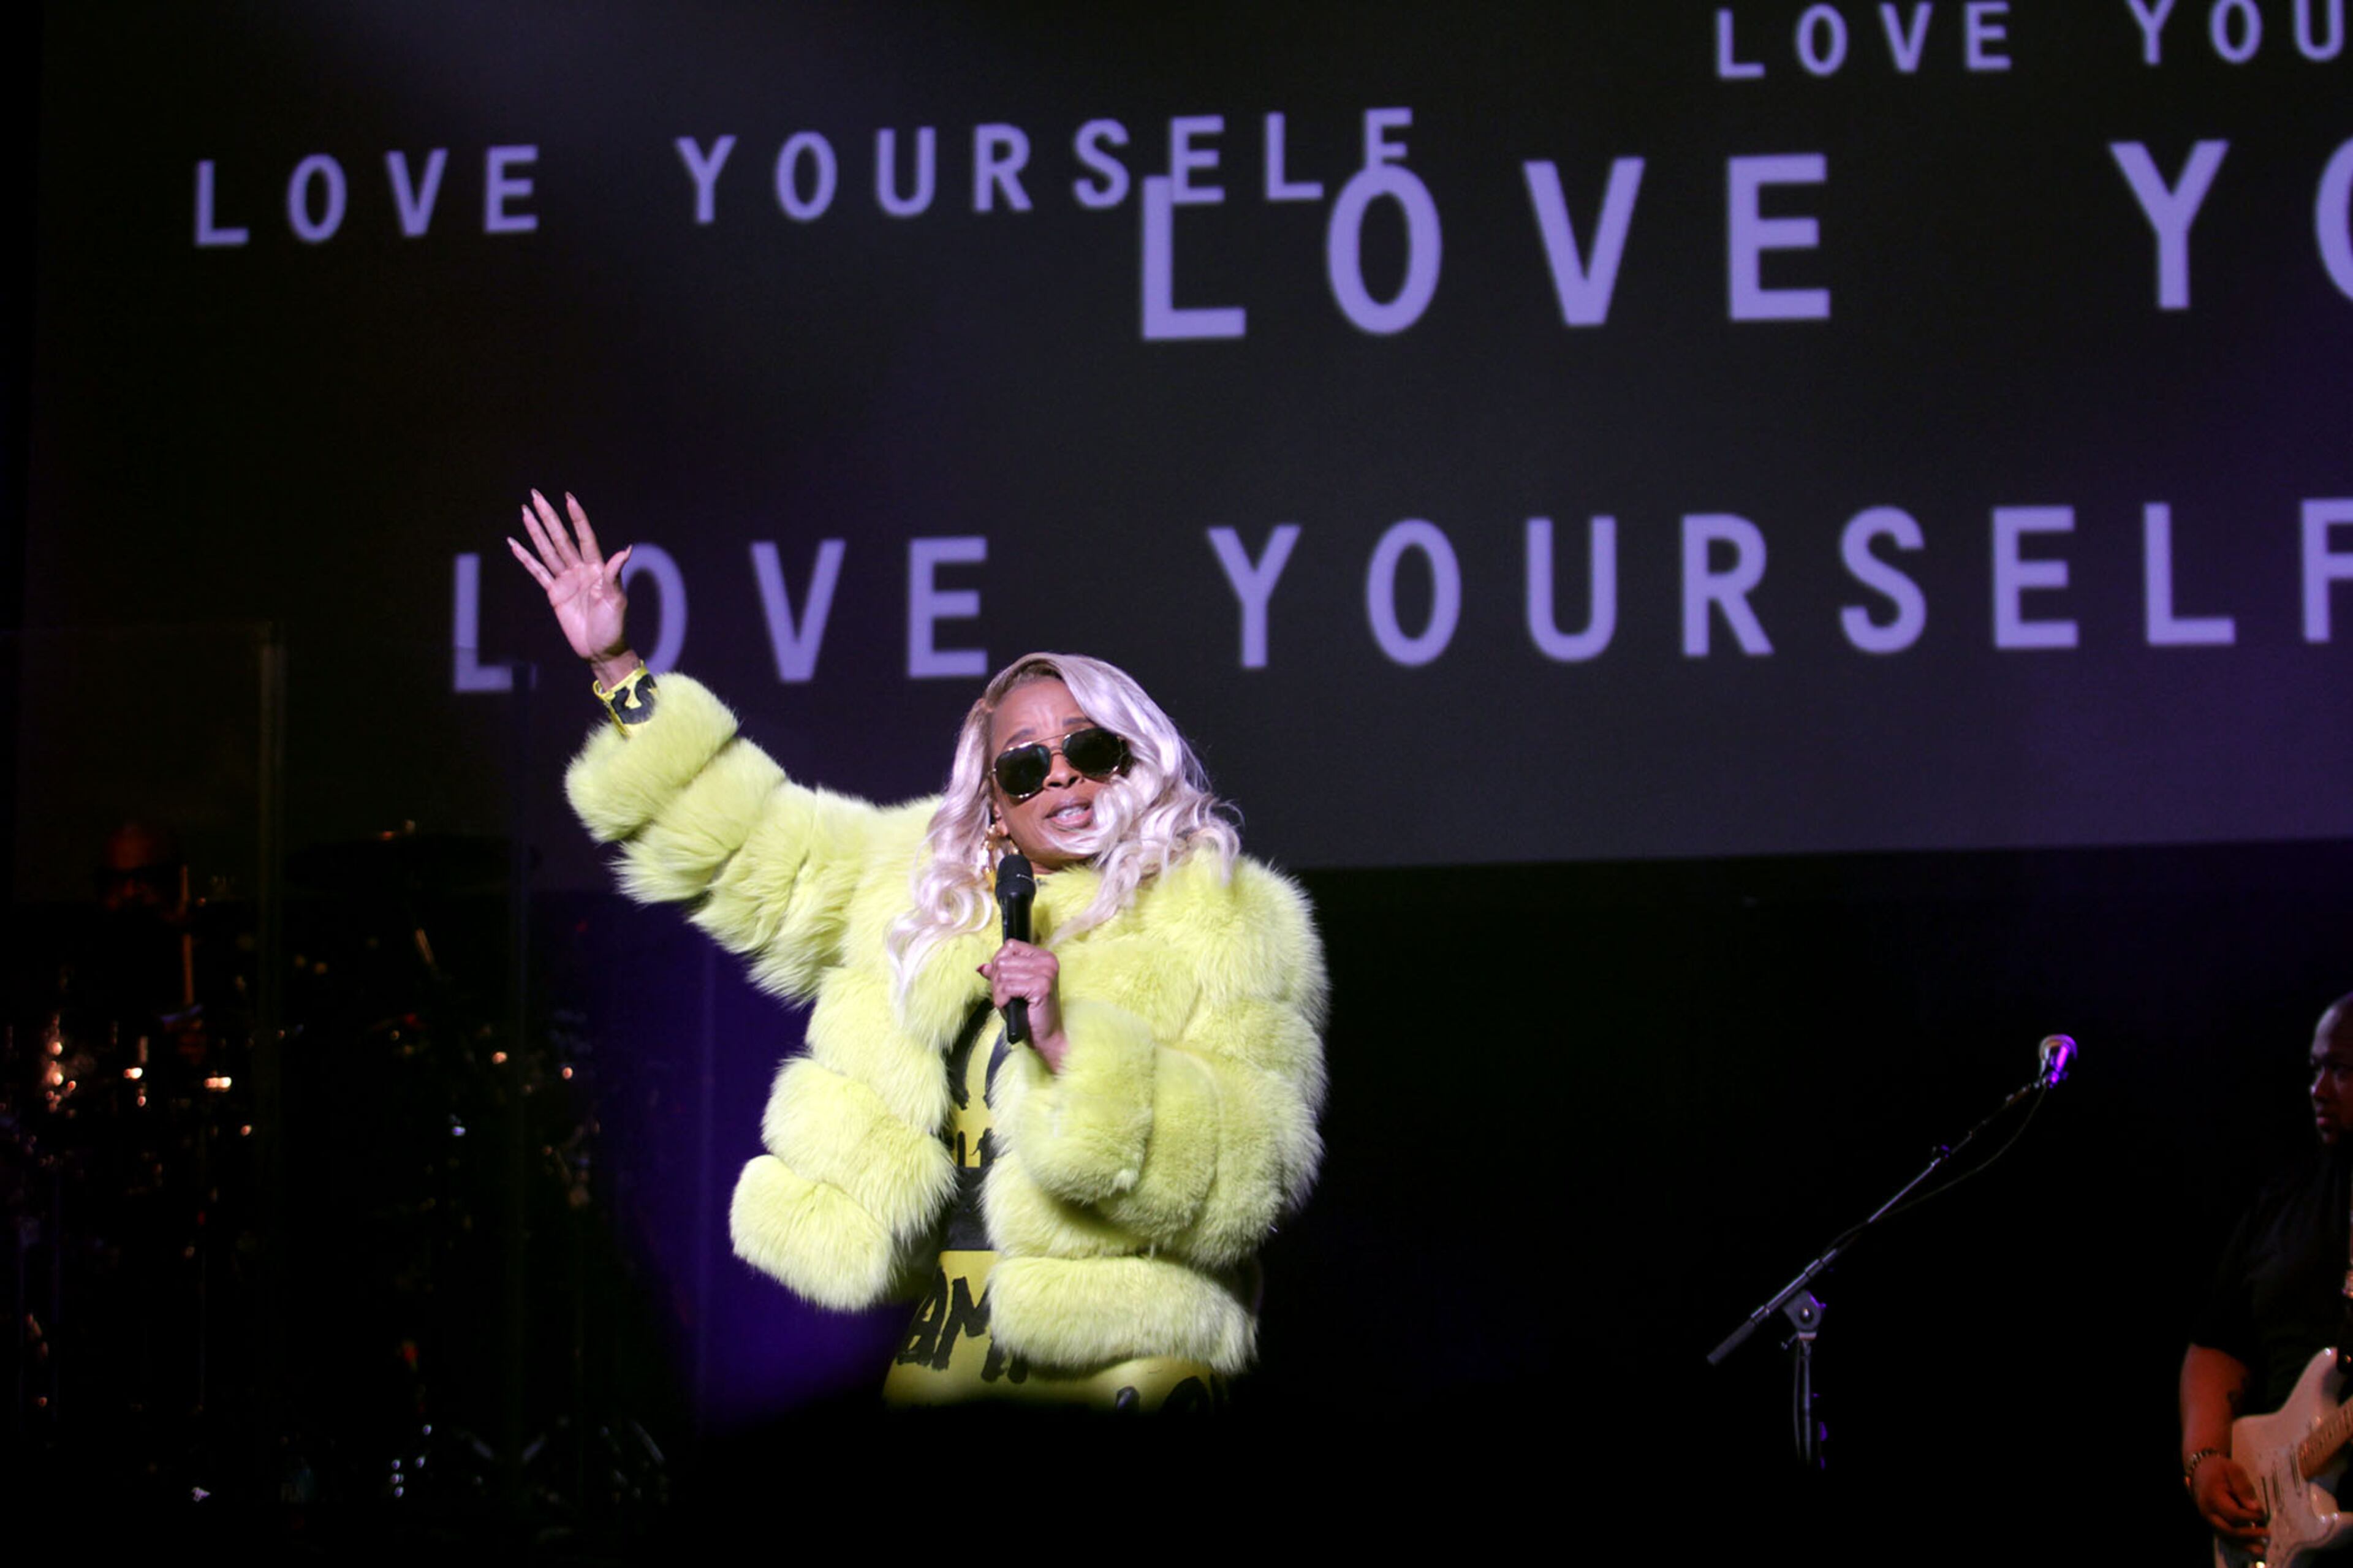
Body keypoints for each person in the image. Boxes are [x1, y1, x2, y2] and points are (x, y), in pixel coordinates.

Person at [507, 490, 1327, 1410]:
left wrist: (1074, 1049)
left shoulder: (1223, 913)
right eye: (1025, 763)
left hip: (1131, 1348)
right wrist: (619, 665)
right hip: (952, 1345)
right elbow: (746, 841)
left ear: (1134, 759)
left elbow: (1258, 1172)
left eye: (1088, 747)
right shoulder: (921, 888)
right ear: (995, 797)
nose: (1058, 772)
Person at [2180, 994, 2353, 1553]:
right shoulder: (2286, 1201)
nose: (2318, 1089)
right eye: (2316, 1068)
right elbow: (2216, 1346)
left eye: (2342, 1070)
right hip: (2280, 1524)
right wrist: (2205, 1460)